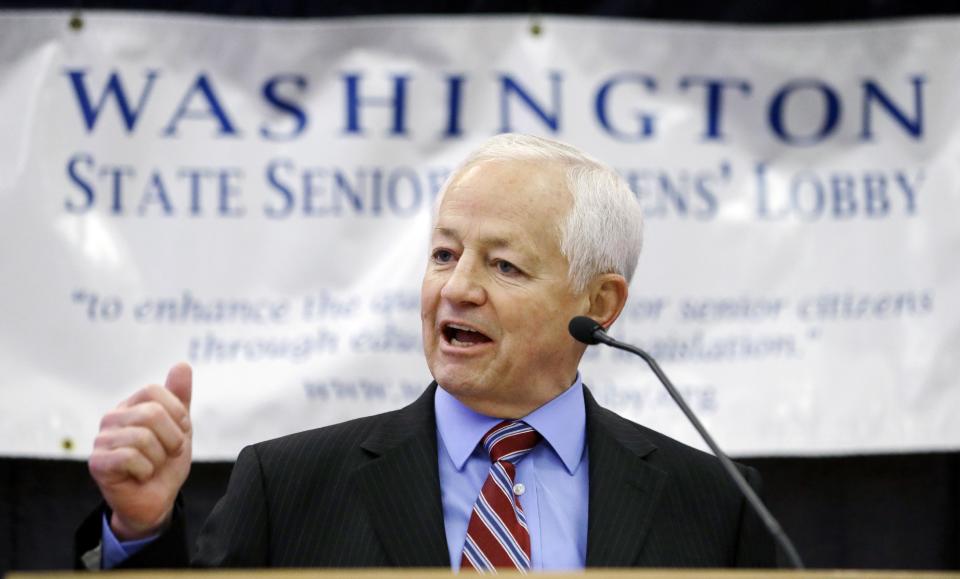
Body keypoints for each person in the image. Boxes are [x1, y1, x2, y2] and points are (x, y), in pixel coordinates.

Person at [77, 134, 775, 570]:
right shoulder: (288, 486)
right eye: (444, 253)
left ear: (598, 305)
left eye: (504, 266)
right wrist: (139, 529)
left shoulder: (715, 503)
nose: (456, 288)